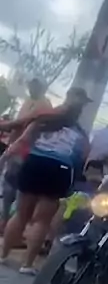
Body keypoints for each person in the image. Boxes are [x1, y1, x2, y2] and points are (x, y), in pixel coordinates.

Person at [0, 87, 91, 273]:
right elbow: (83, 157)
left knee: (20, 214)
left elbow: (23, 141)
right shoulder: (80, 132)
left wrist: (5, 158)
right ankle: (27, 264)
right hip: (59, 170)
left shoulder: (44, 119)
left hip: (34, 162)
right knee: (42, 220)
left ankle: (3, 255)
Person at [0, 78, 52, 231]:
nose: (31, 89)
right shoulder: (30, 100)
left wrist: (5, 125)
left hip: (26, 151)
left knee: (16, 189)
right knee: (9, 186)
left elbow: (22, 122)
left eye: (35, 86)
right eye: (30, 86)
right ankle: (6, 221)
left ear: (42, 88)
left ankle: (12, 224)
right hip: (16, 148)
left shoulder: (43, 105)